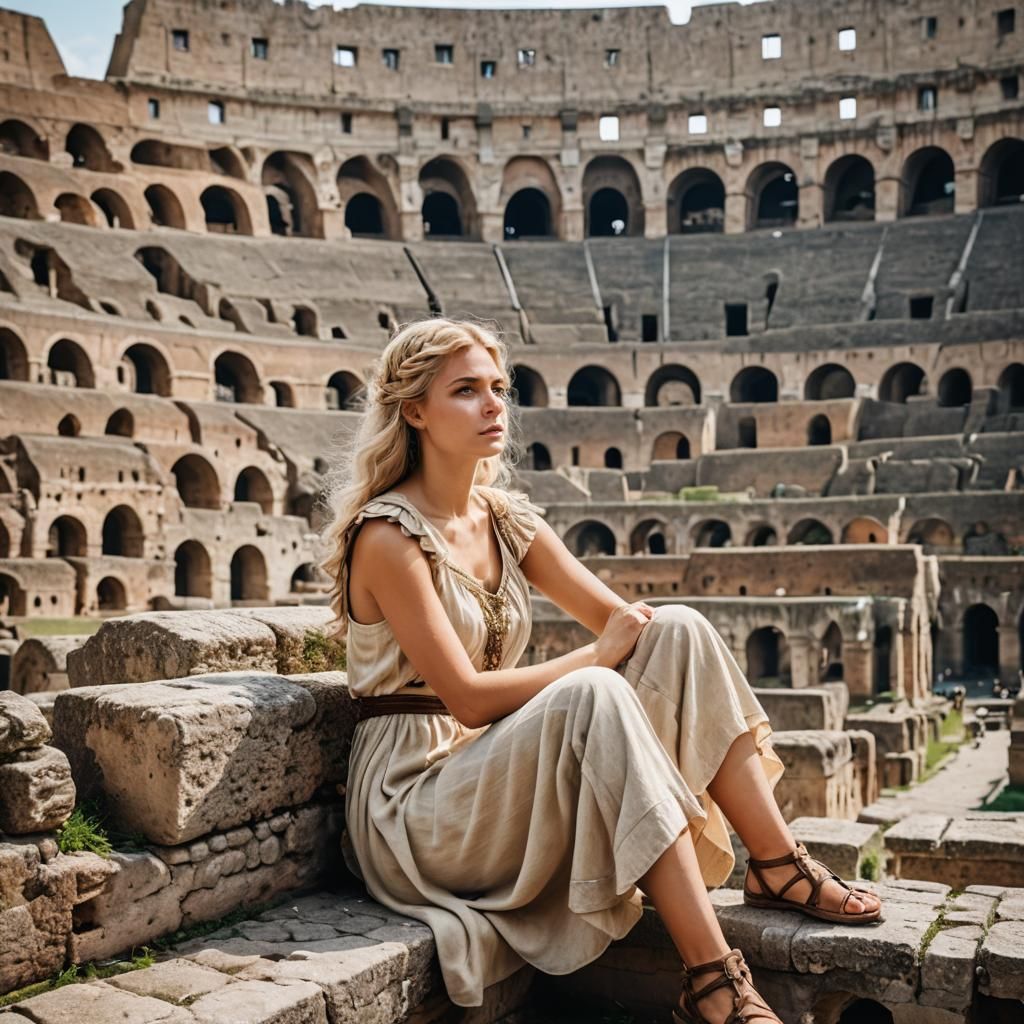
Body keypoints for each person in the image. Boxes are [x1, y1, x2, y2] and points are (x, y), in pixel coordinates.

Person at [318, 318, 882, 1024]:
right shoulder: (386, 536)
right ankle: (714, 980)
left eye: (498, 387)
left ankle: (776, 863)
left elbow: (632, 631)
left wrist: (631, 649)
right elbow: (463, 697)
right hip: (415, 804)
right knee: (593, 687)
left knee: (679, 627)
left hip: (491, 772)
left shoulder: (504, 518)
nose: (494, 405)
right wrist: (595, 657)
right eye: (466, 391)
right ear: (415, 411)